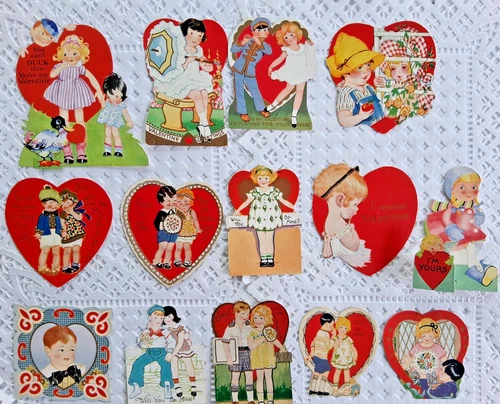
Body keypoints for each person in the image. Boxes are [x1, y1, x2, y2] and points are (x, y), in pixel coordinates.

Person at [425, 167, 497, 286]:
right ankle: (479, 274)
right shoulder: (451, 207)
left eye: (474, 187)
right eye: (462, 188)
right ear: (451, 190)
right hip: (454, 236)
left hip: (468, 236)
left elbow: (478, 217)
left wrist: (478, 218)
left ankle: (483, 269)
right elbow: (446, 218)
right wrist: (451, 228)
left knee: (471, 249)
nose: (469, 192)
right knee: (462, 255)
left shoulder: (473, 207)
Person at [44, 34, 105, 164]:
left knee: (80, 121)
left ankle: (81, 149)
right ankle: (67, 151)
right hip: (62, 94)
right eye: (66, 54)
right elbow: (52, 74)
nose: (70, 57)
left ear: (81, 55)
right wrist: (62, 66)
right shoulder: (60, 66)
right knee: (63, 121)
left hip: (77, 93)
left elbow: (91, 77)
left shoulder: (79, 67)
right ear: (62, 55)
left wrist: (99, 91)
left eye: (74, 53)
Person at [153, 19, 215, 142]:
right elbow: (176, 69)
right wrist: (187, 61)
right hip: (182, 80)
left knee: (204, 94)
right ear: (184, 32)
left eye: (199, 35)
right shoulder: (179, 49)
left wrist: (205, 64)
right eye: (192, 33)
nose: (195, 38)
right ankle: (206, 127)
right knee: (197, 95)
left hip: (196, 79)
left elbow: (208, 67)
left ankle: (202, 125)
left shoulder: (198, 50)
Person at [233, 166, 295, 267]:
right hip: (259, 219)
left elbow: (283, 201)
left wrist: (292, 207)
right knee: (261, 239)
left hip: (271, 219)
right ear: (256, 179)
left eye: (266, 178)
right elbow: (247, 202)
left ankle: (270, 259)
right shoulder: (255, 192)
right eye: (260, 178)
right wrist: (238, 210)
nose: (263, 181)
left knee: (270, 239)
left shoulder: (273, 191)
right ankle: (263, 259)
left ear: (270, 179)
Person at [312, 164, 371, 268]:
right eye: (355, 204)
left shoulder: (333, 220)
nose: (357, 209)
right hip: (355, 258)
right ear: (340, 200)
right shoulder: (336, 223)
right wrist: (351, 229)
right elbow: (353, 246)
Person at [326, 33, 386, 128]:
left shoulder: (368, 88)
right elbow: (343, 121)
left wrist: (381, 87)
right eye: (359, 67)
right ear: (345, 73)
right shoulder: (345, 93)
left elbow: (381, 104)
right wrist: (360, 116)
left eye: (368, 65)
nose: (366, 71)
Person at [265, 22, 317, 127]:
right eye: (286, 37)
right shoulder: (287, 50)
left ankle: (294, 116)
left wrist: (310, 45)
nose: (289, 38)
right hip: (291, 73)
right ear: (283, 40)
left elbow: (310, 54)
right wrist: (271, 66)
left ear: (296, 34)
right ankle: (272, 105)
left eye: (291, 35)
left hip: (302, 73)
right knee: (288, 89)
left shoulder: (303, 47)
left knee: (300, 92)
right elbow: (279, 59)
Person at [128, 305, 175, 400]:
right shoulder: (146, 331)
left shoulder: (164, 331)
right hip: (149, 353)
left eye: (161, 318)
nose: (158, 320)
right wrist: (144, 344)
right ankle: (136, 386)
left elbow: (171, 341)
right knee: (137, 363)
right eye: (156, 317)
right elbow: (140, 342)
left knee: (166, 364)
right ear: (150, 318)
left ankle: (167, 385)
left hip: (162, 352)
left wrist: (169, 352)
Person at [231, 18, 272, 123]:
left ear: (268, 32)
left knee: (255, 90)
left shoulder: (266, 46)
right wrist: (243, 42)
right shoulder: (248, 41)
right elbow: (233, 49)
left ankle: (261, 108)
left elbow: (269, 52)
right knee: (239, 90)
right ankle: (243, 112)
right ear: (253, 32)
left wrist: (258, 42)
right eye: (258, 30)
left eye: (264, 30)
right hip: (238, 69)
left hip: (250, 72)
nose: (262, 32)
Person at [248, 304, 285, 404]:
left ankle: (270, 400)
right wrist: (262, 339)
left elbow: (275, 340)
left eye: (261, 318)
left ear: (266, 319)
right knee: (260, 378)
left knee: (269, 377)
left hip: (268, 357)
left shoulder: (269, 331)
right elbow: (250, 346)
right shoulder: (252, 332)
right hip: (258, 358)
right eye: (256, 318)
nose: (258, 321)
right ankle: (260, 400)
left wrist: (282, 348)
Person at [221, 301, 255, 404]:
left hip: (248, 353)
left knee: (249, 376)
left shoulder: (250, 326)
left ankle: (250, 399)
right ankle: (235, 399)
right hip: (235, 354)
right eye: (243, 313)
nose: (245, 316)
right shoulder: (230, 327)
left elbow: (254, 338)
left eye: (247, 313)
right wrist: (229, 357)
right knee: (235, 377)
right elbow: (225, 343)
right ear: (236, 313)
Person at [163, 306, 197, 398]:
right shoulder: (167, 329)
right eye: (164, 317)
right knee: (173, 365)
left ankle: (193, 385)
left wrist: (172, 354)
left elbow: (180, 343)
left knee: (188, 364)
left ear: (173, 315)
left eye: (169, 316)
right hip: (173, 349)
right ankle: (177, 385)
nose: (167, 319)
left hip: (183, 348)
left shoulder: (180, 329)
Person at [97, 72, 134, 157]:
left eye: (117, 96)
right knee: (107, 135)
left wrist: (129, 120)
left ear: (122, 96)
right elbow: (103, 106)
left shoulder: (121, 105)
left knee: (116, 135)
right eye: (110, 95)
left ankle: (118, 150)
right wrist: (101, 99)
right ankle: (107, 150)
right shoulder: (108, 102)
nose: (113, 98)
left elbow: (125, 113)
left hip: (115, 122)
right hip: (107, 121)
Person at [402, 318, 447, 384]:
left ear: (435, 335)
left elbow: (445, 361)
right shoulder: (416, 347)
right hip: (418, 375)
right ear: (419, 335)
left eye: (430, 335)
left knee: (431, 385)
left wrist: (445, 372)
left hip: (432, 376)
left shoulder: (437, 348)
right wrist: (406, 363)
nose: (427, 338)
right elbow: (410, 359)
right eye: (424, 336)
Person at [34, 185, 63, 276]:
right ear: (44, 204)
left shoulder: (58, 215)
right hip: (46, 234)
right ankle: (42, 267)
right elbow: (40, 224)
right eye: (50, 202)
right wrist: (39, 233)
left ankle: (55, 268)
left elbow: (60, 225)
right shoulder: (43, 215)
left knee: (56, 252)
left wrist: (62, 232)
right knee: (45, 251)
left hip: (56, 234)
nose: (53, 205)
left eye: (55, 203)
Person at [60, 189, 90, 274]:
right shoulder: (63, 214)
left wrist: (72, 212)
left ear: (74, 203)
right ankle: (66, 267)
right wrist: (63, 231)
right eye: (63, 204)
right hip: (68, 235)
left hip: (77, 234)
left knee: (76, 250)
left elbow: (79, 218)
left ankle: (75, 265)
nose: (66, 206)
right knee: (67, 251)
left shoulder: (77, 212)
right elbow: (62, 223)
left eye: (68, 203)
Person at [153, 186, 182, 269]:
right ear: (161, 202)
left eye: (174, 200)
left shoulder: (176, 211)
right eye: (168, 201)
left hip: (174, 233)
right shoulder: (162, 213)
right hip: (163, 232)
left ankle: (167, 262)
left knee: (170, 248)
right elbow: (156, 222)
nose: (172, 203)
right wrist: (162, 227)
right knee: (163, 246)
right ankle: (156, 261)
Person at [305, 313, 335, 395]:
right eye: (331, 326)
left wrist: (311, 354)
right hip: (322, 357)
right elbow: (329, 346)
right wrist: (333, 337)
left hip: (316, 357)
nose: (332, 328)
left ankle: (312, 389)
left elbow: (313, 344)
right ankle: (321, 390)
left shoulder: (318, 332)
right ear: (326, 324)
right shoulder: (326, 334)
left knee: (317, 372)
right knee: (326, 372)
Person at [173, 188, 202, 268]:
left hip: (188, 232)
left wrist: (198, 229)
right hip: (178, 232)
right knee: (178, 247)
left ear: (190, 202)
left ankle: (187, 261)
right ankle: (177, 260)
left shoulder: (191, 211)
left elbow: (195, 220)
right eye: (180, 201)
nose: (183, 203)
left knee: (187, 247)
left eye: (186, 201)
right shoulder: (175, 211)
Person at [331, 317, 358, 396]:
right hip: (338, 359)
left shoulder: (348, 339)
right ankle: (335, 389)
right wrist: (339, 338)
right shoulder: (335, 338)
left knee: (347, 373)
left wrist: (355, 357)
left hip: (347, 360)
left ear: (348, 329)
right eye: (341, 327)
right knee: (337, 372)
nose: (343, 330)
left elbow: (353, 348)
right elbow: (334, 346)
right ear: (337, 327)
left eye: (345, 328)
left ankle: (347, 389)